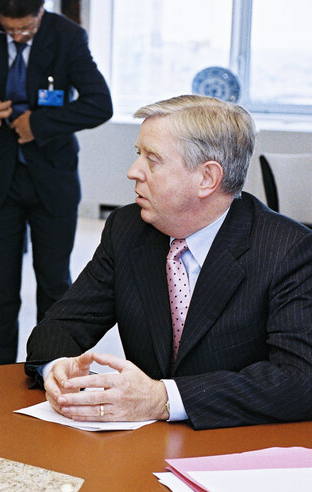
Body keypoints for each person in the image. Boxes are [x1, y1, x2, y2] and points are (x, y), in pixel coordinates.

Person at [25, 94, 312, 430]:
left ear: (207, 178)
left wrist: (163, 399)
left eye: (153, 159)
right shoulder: (128, 229)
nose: (133, 172)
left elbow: (299, 380)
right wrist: (58, 368)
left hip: (233, 450)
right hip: (141, 448)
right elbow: (60, 326)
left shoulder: (287, 250)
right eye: (138, 155)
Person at [0, 0, 112, 365]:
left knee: (54, 283)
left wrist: (39, 125)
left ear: (40, 13)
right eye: (9, 29)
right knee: (0, 288)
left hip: (51, 178)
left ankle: (49, 368)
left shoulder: (67, 36)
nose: (17, 36)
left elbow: (101, 104)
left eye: (26, 29)